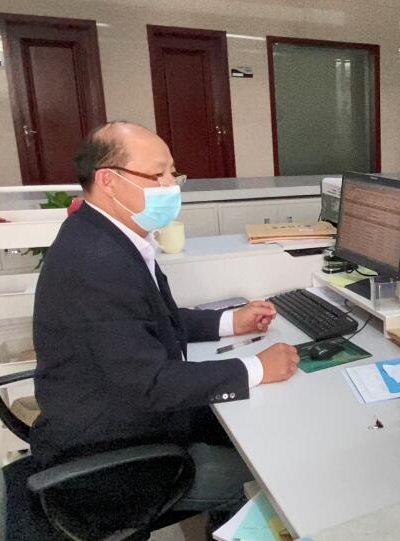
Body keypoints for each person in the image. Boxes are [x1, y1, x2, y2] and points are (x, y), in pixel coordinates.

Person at [31, 121, 301, 531]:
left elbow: (151, 318)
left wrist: (230, 321)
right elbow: (153, 384)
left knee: (258, 424)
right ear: (108, 180)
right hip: (115, 460)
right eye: (158, 174)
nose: (171, 185)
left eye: (173, 173)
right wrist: (257, 368)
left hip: (119, 420)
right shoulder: (97, 262)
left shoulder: (105, 234)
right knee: (271, 468)